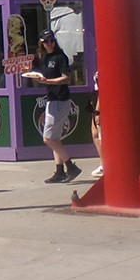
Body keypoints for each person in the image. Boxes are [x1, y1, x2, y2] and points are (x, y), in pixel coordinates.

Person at [33, 29, 81, 183]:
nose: (50, 43)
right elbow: (43, 77)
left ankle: (70, 166)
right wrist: (35, 77)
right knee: (55, 138)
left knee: (48, 139)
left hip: (60, 99)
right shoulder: (44, 58)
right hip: (51, 99)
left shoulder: (60, 57)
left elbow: (67, 78)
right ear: (42, 43)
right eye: (47, 41)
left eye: (52, 40)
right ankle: (59, 171)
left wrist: (49, 82)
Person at [89, 71, 103, 178]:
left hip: (100, 103)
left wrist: (97, 111)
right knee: (95, 135)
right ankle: (103, 164)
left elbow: (102, 91)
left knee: (98, 136)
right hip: (95, 99)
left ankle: (105, 164)